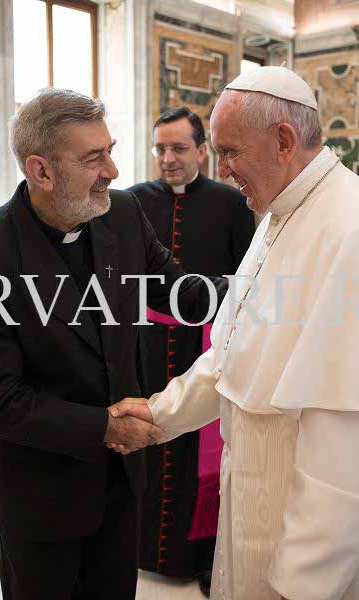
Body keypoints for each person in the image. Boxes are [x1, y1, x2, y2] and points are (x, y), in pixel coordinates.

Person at [0, 88, 228, 600]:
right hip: (42, 500)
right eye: (93, 158)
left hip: (120, 489)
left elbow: (183, 294)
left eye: (110, 150)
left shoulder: (121, 214)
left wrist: (261, 284)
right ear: (41, 171)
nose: (113, 170)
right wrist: (106, 426)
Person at [108, 66, 359, 600]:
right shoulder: (278, 212)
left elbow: (343, 447)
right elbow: (230, 353)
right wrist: (158, 414)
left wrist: (302, 586)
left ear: (283, 141)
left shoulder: (349, 229)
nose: (221, 170)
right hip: (250, 508)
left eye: (229, 152)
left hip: (297, 549)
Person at [128, 107, 254, 596]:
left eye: (179, 148)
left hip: (205, 347)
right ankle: (140, 551)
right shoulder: (133, 201)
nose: (168, 158)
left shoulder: (231, 202)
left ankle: (199, 556)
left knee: (196, 456)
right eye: (160, 148)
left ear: (202, 151)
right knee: (147, 442)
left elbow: (246, 278)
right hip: (146, 345)